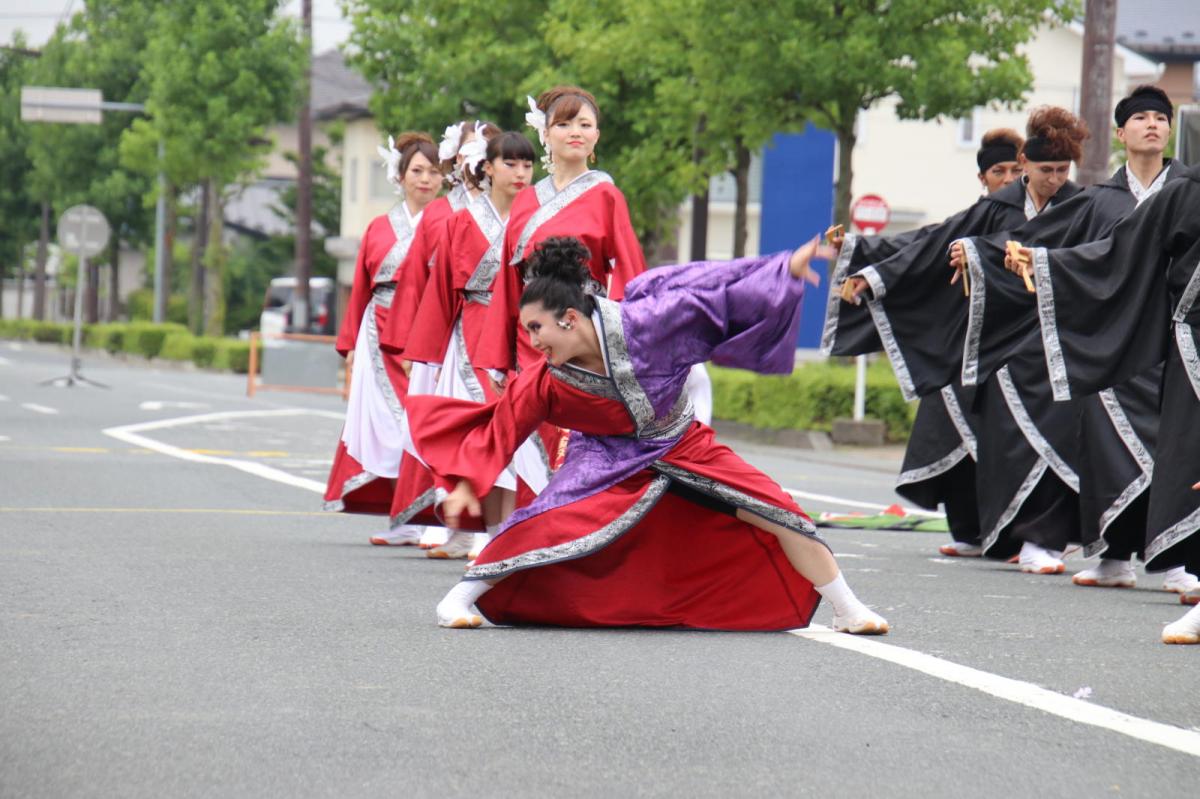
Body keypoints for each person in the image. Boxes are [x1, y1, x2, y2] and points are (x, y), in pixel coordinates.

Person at [405, 235, 888, 634]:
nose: (532, 342)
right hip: (603, 457)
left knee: (777, 509)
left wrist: (783, 268)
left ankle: (847, 608)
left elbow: (716, 288)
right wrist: (465, 484)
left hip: (681, 440)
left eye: (537, 328)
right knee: (546, 519)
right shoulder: (545, 381)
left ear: (569, 318)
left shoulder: (649, 321)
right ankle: (458, 598)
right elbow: (500, 432)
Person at [957, 86, 1195, 592]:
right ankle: (1114, 556)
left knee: (1176, 450)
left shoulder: (1187, 189)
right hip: (1116, 341)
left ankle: (1178, 561)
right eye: (1140, 118)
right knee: (1108, 451)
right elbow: (1043, 239)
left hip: (1175, 341)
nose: (1152, 125)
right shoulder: (1101, 199)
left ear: (1171, 129)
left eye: (1160, 117)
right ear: (1121, 132)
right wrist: (982, 254)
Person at [832, 110, 1088, 572]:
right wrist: (869, 270)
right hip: (996, 343)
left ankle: (1046, 540)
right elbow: (933, 242)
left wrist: (984, 254)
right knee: (1004, 441)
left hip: (1057, 339)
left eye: (1061, 170)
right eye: (1044, 169)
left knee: (1054, 437)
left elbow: (1104, 254)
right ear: (1026, 164)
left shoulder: (1084, 206)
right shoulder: (995, 208)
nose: (1053, 179)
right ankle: (998, 533)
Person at [1005, 162, 1200, 642]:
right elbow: (1120, 252)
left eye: (1161, 122)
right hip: (1177, 350)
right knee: (1180, 462)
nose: (1153, 127)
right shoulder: (1185, 192)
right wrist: (1044, 263)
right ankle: (1127, 558)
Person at [826, 128, 1025, 559]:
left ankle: (1027, 538)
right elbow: (924, 243)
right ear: (983, 178)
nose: (1009, 178)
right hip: (967, 344)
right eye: (998, 170)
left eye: (1015, 169)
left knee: (1018, 438)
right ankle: (969, 531)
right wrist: (860, 250)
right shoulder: (979, 215)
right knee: (951, 427)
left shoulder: (1050, 214)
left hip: (1024, 348)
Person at [402, 132, 540, 560]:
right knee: (470, 433)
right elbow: (442, 289)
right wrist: (425, 354)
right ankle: (464, 532)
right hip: (471, 334)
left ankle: (499, 534)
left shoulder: (538, 217)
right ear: (488, 168)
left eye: (527, 165)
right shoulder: (461, 221)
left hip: (522, 335)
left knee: (513, 438)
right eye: (510, 164)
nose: (520, 173)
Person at [323, 132, 441, 542]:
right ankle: (404, 518)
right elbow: (360, 288)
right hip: (379, 333)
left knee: (423, 422)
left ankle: (430, 517)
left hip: (429, 331)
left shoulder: (450, 222)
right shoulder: (378, 228)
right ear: (400, 175)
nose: (425, 179)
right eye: (417, 170)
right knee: (387, 427)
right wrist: (351, 344)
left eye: (434, 171)